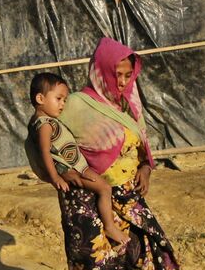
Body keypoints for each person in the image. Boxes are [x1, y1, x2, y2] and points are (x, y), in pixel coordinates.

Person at [56, 36, 204, 270]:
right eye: (117, 74)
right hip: (93, 209)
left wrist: (147, 170)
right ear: (101, 69)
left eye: (127, 74)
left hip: (132, 203)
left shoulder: (128, 104)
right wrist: (81, 187)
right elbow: (50, 145)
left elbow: (141, 149)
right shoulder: (76, 105)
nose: (122, 82)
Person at [26, 72, 128, 247]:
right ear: (40, 98)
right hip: (71, 170)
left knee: (102, 186)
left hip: (77, 167)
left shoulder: (44, 121)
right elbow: (44, 152)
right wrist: (55, 177)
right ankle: (110, 226)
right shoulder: (44, 125)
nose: (62, 104)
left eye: (64, 100)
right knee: (104, 188)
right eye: (58, 98)